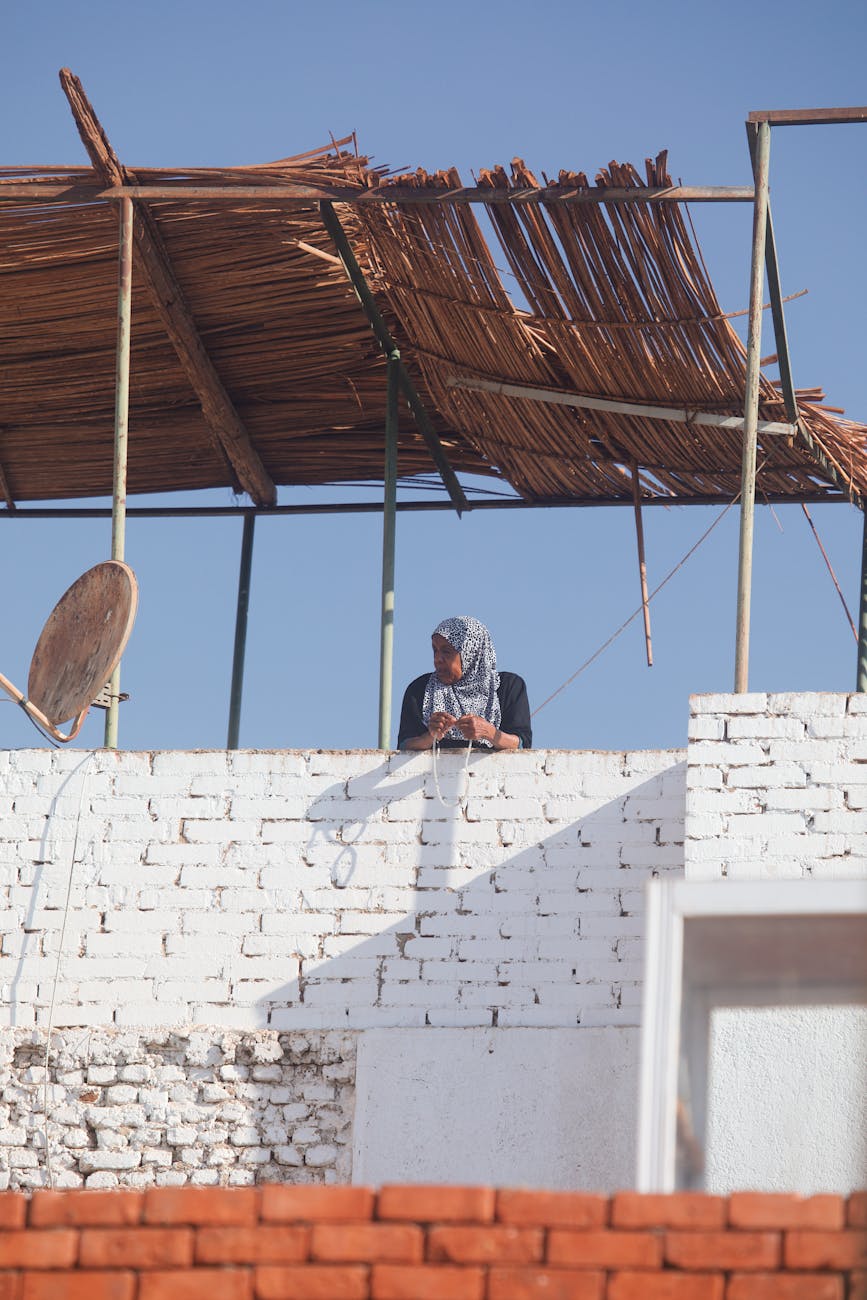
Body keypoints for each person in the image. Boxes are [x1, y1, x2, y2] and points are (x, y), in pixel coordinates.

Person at [398, 616, 531, 751]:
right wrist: (430, 736)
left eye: (446, 651)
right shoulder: (419, 690)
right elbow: (404, 746)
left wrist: (488, 732)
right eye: (435, 650)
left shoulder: (508, 687)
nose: (437, 659)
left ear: (471, 653)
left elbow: (522, 744)